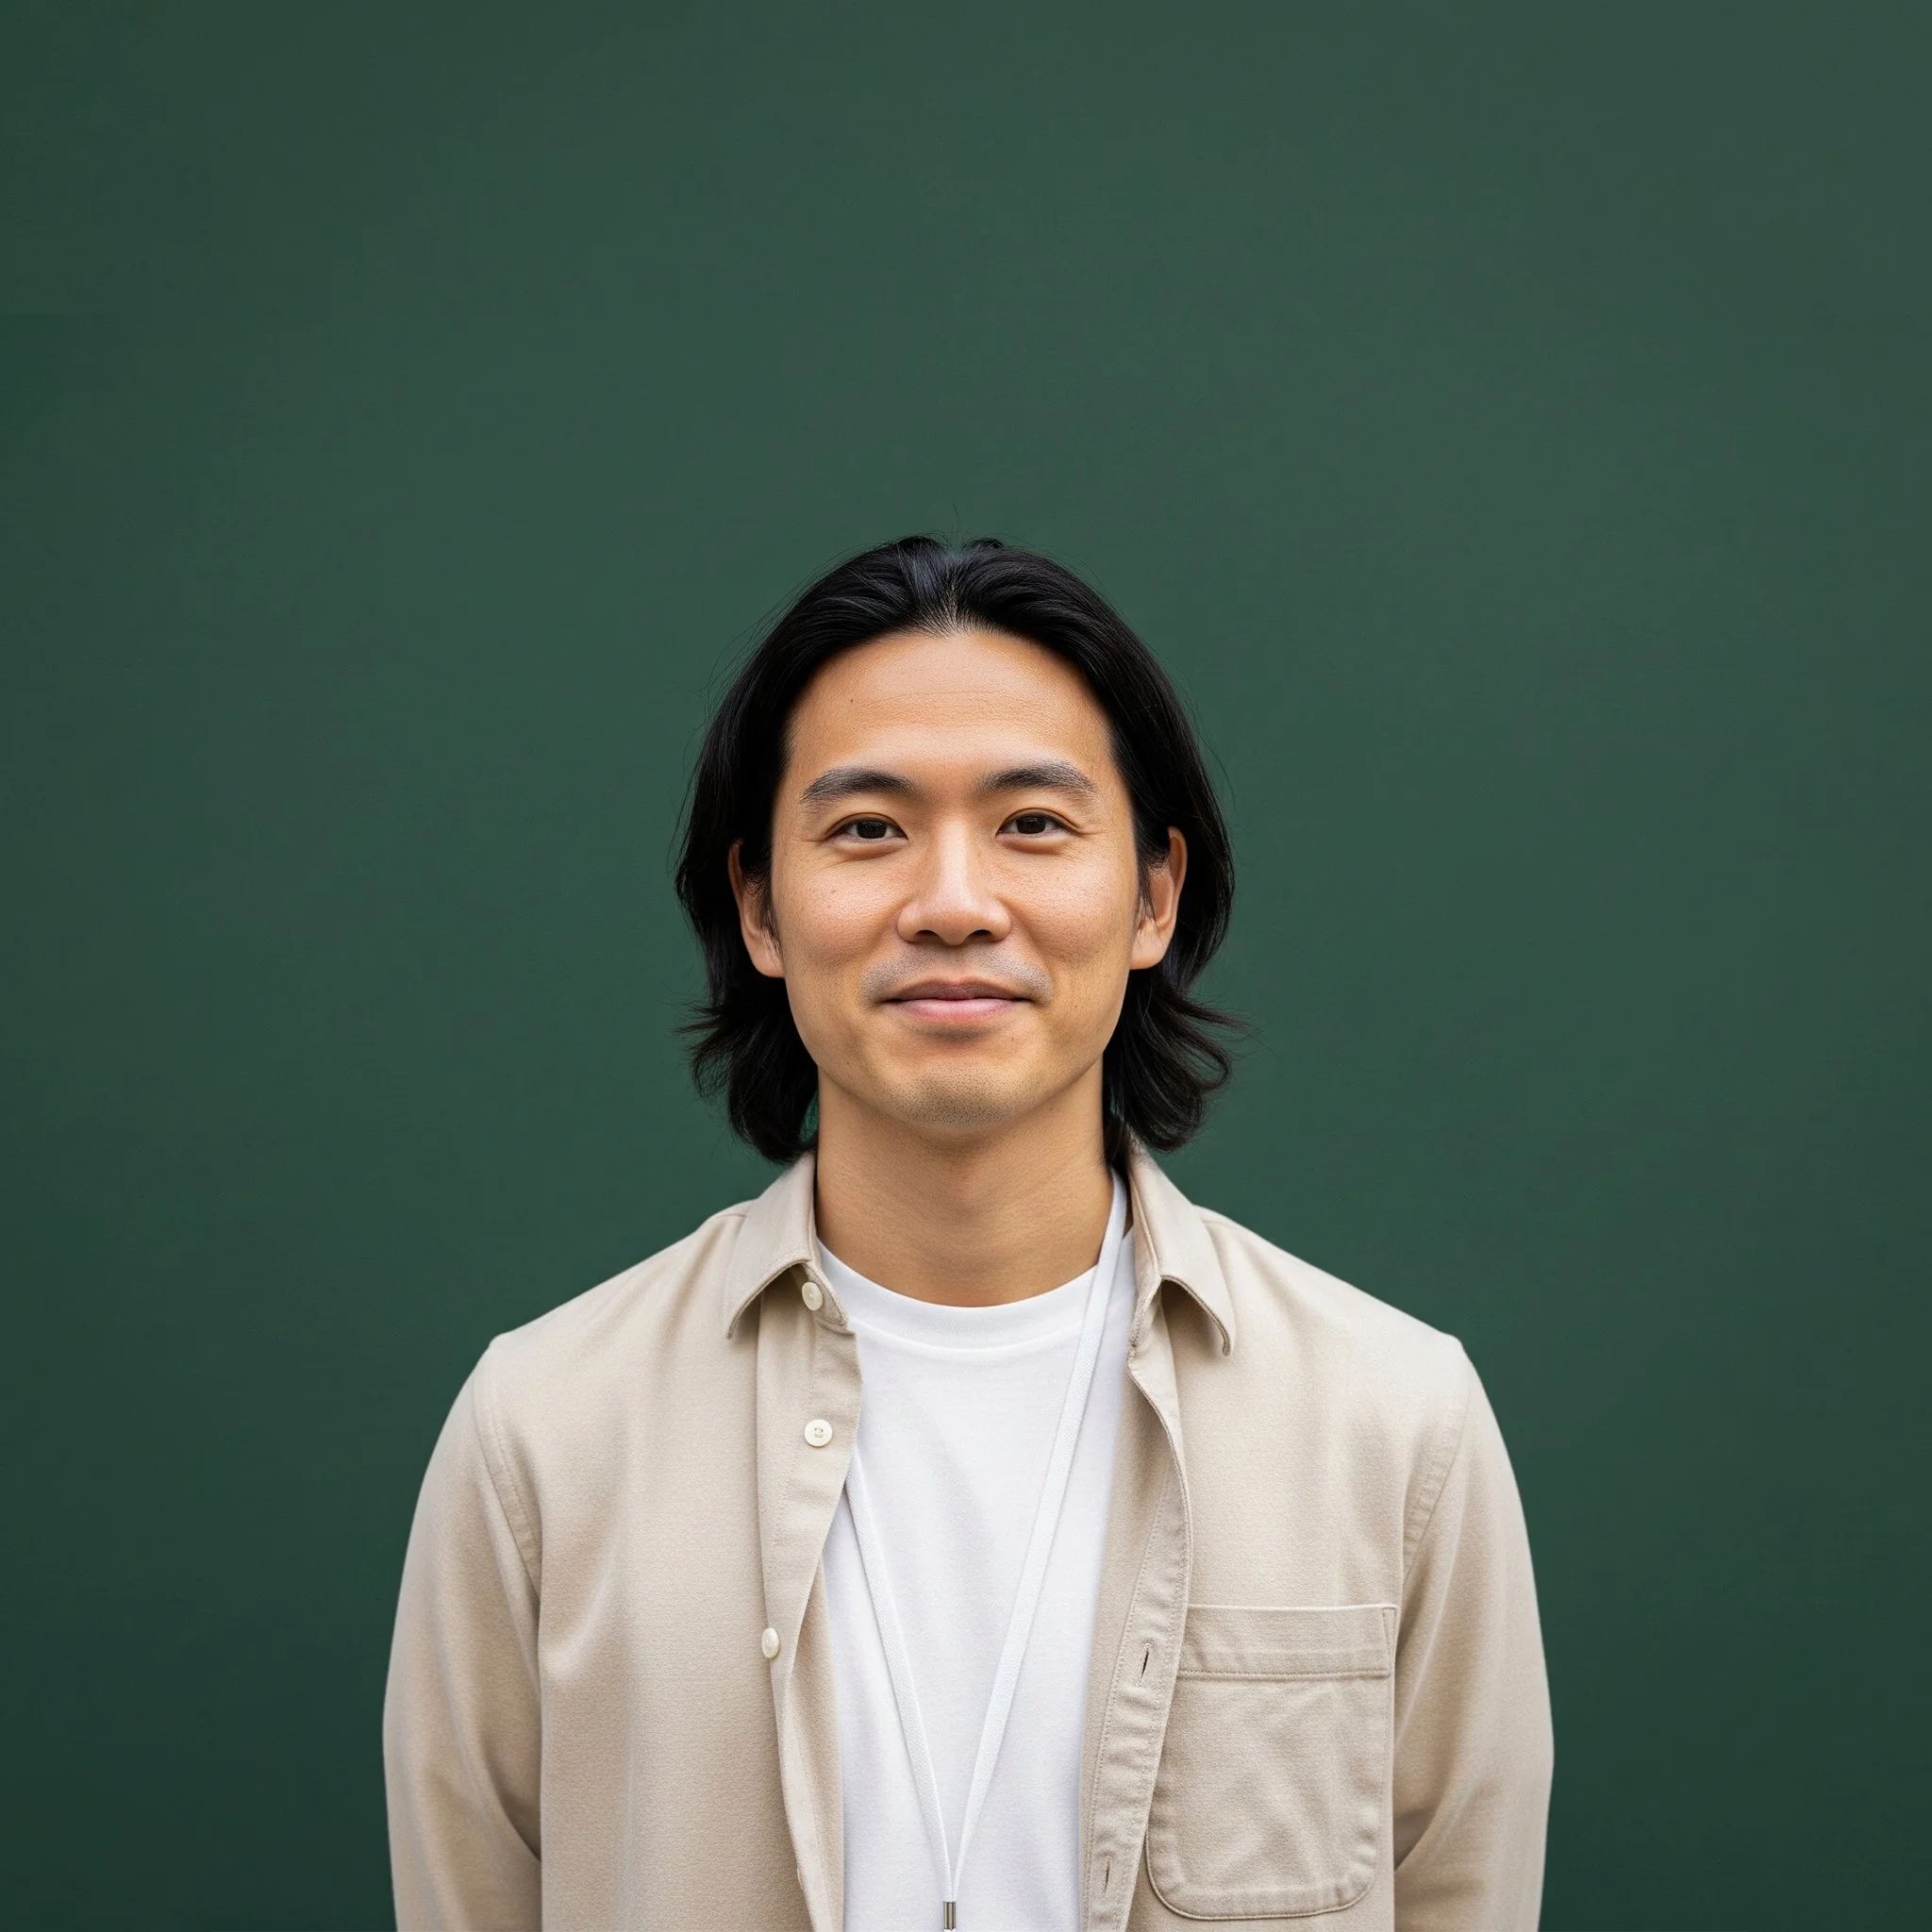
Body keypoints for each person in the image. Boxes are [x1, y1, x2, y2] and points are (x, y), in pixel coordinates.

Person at [383, 537, 1553, 1931]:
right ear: (759, 905)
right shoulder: (545, 1435)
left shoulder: (1394, 1425)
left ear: (1154, 897)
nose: (951, 903)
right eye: (867, 828)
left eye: (1034, 826)